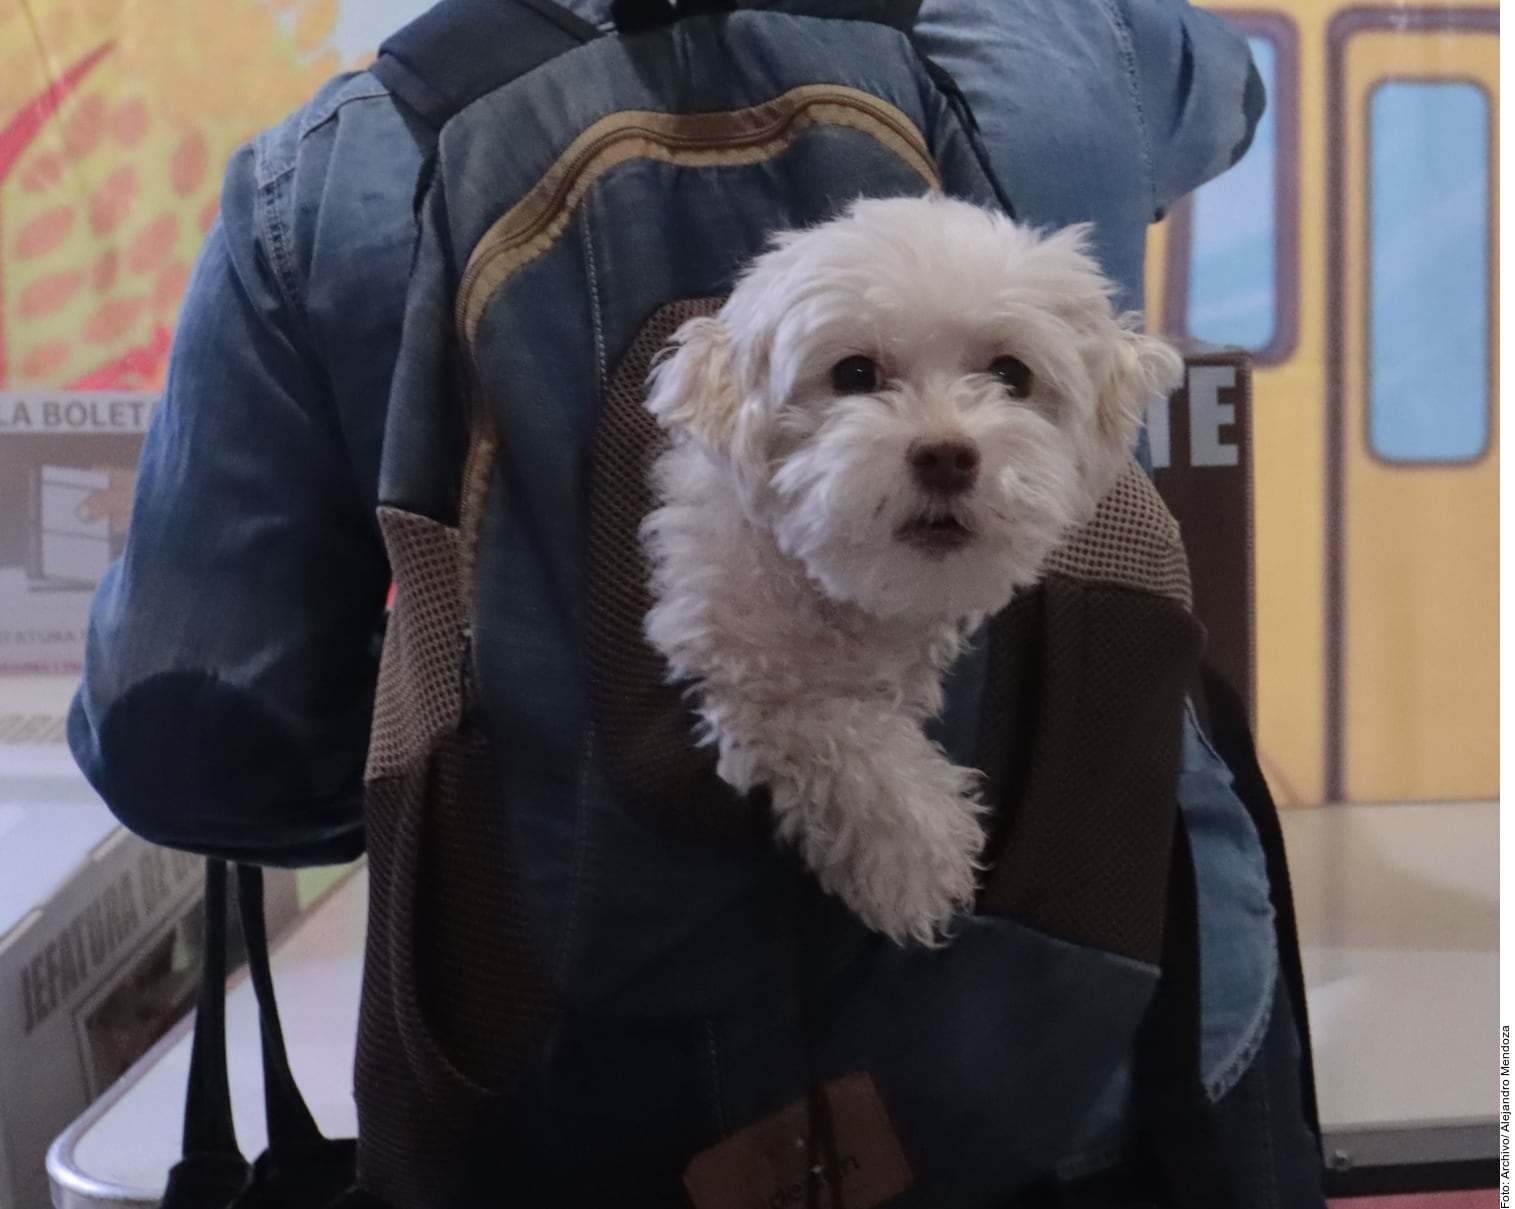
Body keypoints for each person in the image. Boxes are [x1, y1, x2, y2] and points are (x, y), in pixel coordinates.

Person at [67, 1, 1326, 1203]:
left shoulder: (331, 171)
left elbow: (195, 748)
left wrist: (507, 688)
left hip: (582, 1097)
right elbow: (1230, 97)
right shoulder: (1058, 37)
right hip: (1101, 1042)